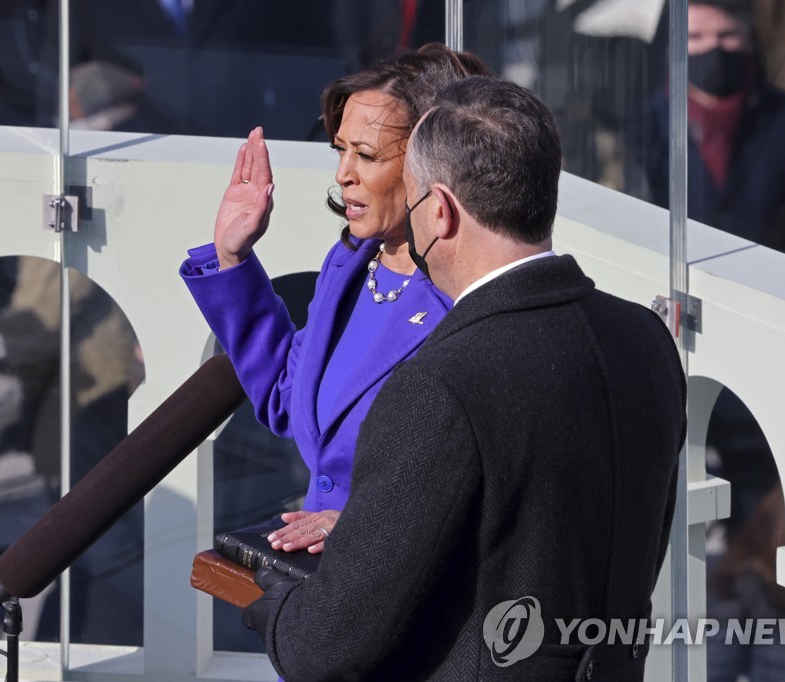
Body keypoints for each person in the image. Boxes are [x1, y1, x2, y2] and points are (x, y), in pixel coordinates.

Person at [241, 76, 687, 680]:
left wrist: (271, 602)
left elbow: (325, 645)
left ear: (441, 211)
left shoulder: (440, 384)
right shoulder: (646, 340)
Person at [180, 43, 493, 552]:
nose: (342, 173)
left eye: (365, 155)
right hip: (327, 590)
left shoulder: (466, 292)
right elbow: (287, 398)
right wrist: (231, 258)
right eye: (340, 150)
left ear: (431, 164)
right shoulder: (350, 260)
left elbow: (474, 477)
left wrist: (355, 522)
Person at [643, 0, 785, 264]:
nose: (714, 47)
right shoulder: (647, 122)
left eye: (727, 34)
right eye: (695, 36)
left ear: (747, 38)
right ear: (672, 44)